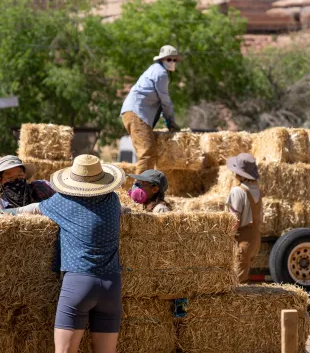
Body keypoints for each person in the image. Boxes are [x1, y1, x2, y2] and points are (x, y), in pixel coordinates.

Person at [7, 154, 126, 353]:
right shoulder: (112, 200)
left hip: (78, 284)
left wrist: (6, 214)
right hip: (112, 286)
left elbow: (32, 210)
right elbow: (124, 210)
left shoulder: (65, 202)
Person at [120, 45, 183, 174]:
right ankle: (139, 191)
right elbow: (165, 100)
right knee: (147, 154)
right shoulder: (161, 73)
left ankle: (144, 188)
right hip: (136, 113)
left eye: (174, 60)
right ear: (162, 59)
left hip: (134, 111)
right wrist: (170, 120)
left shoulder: (155, 69)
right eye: (169, 59)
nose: (172, 62)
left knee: (148, 153)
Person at [226, 153, 263, 283]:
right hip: (255, 239)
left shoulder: (237, 191)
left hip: (242, 239)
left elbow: (234, 218)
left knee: (235, 282)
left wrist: (226, 237)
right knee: (244, 278)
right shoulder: (257, 190)